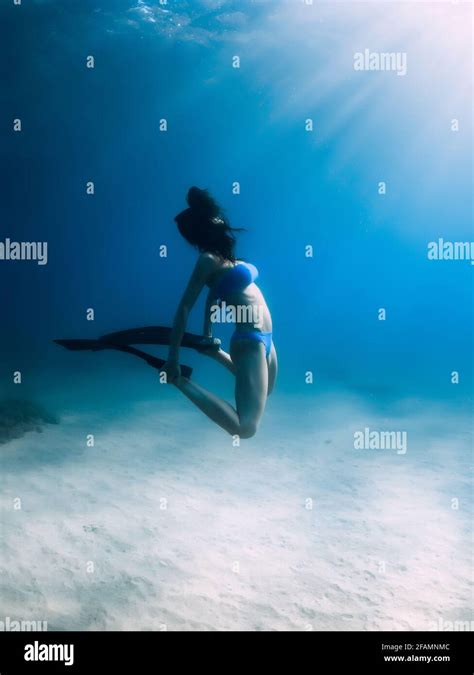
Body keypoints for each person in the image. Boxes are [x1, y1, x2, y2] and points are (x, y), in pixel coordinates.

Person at [161, 187, 277, 438]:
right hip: (249, 341)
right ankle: (180, 381)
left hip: (266, 340)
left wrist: (208, 334)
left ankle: (215, 354)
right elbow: (184, 308)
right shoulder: (208, 260)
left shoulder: (226, 258)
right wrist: (172, 359)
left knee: (265, 390)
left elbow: (213, 295)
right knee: (244, 428)